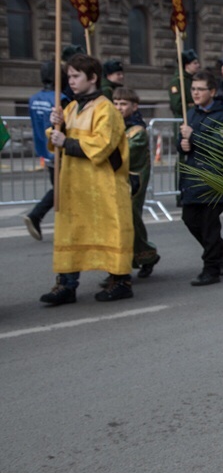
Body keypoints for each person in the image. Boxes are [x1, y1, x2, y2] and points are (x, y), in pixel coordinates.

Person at [39, 53, 135, 305]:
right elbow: (56, 138)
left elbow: (102, 145)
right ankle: (66, 284)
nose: (70, 81)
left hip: (103, 186)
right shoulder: (71, 107)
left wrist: (66, 141)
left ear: (92, 78)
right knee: (71, 232)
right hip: (74, 185)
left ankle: (120, 281)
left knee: (110, 231)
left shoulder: (106, 109)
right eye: (68, 76)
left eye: (75, 76)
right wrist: (57, 125)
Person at [178, 70, 223, 286]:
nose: (195, 93)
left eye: (200, 89)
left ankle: (211, 269)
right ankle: (220, 249)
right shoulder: (191, 113)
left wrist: (193, 137)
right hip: (193, 177)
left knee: (209, 226)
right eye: (193, 89)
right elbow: (184, 144)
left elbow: (219, 145)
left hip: (213, 178)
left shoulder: (222, 115)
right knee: (189, 219)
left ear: (212, 91)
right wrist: (182, 144)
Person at [113, 87, 161, 278]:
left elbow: (123, 155)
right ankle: (119, 266)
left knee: (131, 220)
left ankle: (147, 255)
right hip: (115, 180)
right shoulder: (114, 125)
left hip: (133, 182)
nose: (119, 107)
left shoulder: (137, 131)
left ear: (134, 106)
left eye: (123, 104)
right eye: (116, 103)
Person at [24, 61, 70, 241]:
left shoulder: (34, 99)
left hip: (44, 149)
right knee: (62, 188)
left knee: (60, 188)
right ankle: (36, 215)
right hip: (59, 148)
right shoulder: (61, 99)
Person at [169, 48, 201, 118]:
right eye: (195, 63)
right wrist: (196, 108)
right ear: (187, 66)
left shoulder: (193, 79)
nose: (198, 65)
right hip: (184, 119)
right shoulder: (178, 81)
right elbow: (177, 105)